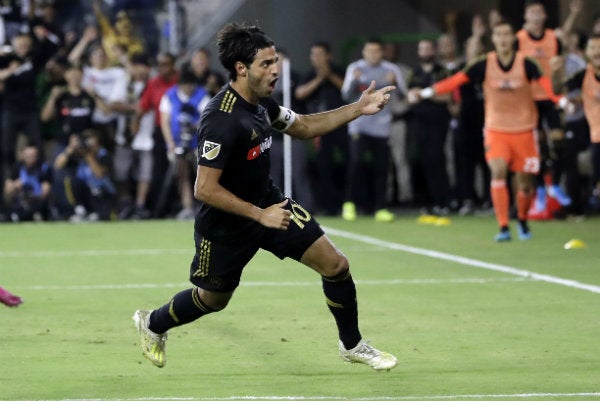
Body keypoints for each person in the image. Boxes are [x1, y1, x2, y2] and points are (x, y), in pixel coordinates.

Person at [132, 22, 398, 371]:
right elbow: (204, 189)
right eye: (266, 63)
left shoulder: (261, 104)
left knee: (336, 265)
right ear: (241, 68)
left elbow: (302, 126)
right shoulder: (221, 119)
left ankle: (352, 345)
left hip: (270, 205)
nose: (276, 69)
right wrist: (258, 215)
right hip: (226, 225)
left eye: (276, 61)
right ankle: (153, 323)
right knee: (212, 301)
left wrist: (357, 109)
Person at [408, 21, 570, 242]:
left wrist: (561, 102)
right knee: (498, 171)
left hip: (524, 129)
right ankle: (503, 226)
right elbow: (455, 81)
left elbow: (546, 86)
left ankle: (522, 218)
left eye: (506, 34)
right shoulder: (483, 64)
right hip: (496, 129)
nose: (503, 39)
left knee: (525, 183)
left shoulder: (527, 64)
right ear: (493, 39)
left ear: (513, 38)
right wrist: (425, 92)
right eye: (499, 35)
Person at [516, 0, 581, 213]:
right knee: (539, 147)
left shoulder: (553, 38)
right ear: (526, 17)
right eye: (532, 12)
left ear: (544, 16)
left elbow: (564, 42)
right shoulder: (519, 40)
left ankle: (553, 184)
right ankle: (542, 188)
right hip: (529, 99)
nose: (536, 16)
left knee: (559, 141)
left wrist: (573, 14)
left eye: (539, 12)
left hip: (551, 96)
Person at [340, 37, 405, 222]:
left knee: (382, 167)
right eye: (370, 51)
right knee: (356, 164)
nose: (373, 54)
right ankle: (350, 204)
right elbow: (345, 95)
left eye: (377, 51)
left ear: (382, 52)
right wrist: (355, 81)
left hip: (382, 127)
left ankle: (381, 208)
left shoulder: (392, 69)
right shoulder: (355, 68)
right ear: (364, 52)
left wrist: (396, 83)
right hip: (359, 125)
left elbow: (403, 95)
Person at [295, 41, 348, 216]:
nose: (315, 58)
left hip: (342, 125)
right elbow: (299, 93)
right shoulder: (310, 74)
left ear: (328, 55)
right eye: (313, 55)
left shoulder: (339, 70)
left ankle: (350, 202)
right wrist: (319, 79)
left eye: (319, 54)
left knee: (349, 162)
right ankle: (329, 206)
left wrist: (330, 75)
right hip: (321, 127)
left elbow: (348, 90)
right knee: (324, 166)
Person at [553, 34, 600, 213]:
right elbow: (558, 90)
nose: (597, 52)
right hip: (597, 137)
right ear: (587, 52)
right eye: (593, 48)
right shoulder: (582, 75)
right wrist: (556, 73)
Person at [406, 39, 452, 216]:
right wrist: (418, 95)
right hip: (419, 123)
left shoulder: (442, 71)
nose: (425, 52)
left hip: (438, 122)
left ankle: (444, 201)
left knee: (437, 159)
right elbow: (410, 97)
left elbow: (447, 96)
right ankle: (431, 202)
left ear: (433, 50)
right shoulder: (414, 73)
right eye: (422, 48)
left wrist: (425, 94)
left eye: (428, 48)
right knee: (424, 161)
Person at [159, 69, 210, 220]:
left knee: (203, 177)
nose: (189, 88)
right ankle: (187, 207)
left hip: (198, 143)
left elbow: (207, 120)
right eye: (186, 85)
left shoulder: (202, 96)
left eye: (191, 85)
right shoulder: (170, 96)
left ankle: (206, 208)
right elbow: (165, 121)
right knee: (182, 175)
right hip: (177, 142)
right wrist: (170, 143)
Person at [3, 145, 52, 222]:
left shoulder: (43, 168)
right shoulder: (17, 167)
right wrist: (15, 185)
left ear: (37, 156)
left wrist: (34, 194)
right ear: (23, 155)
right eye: (27, 156)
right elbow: (7, 190)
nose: (30, 158)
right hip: (20, 202)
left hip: (36, 202)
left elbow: (45, 192)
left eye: (33, 156)